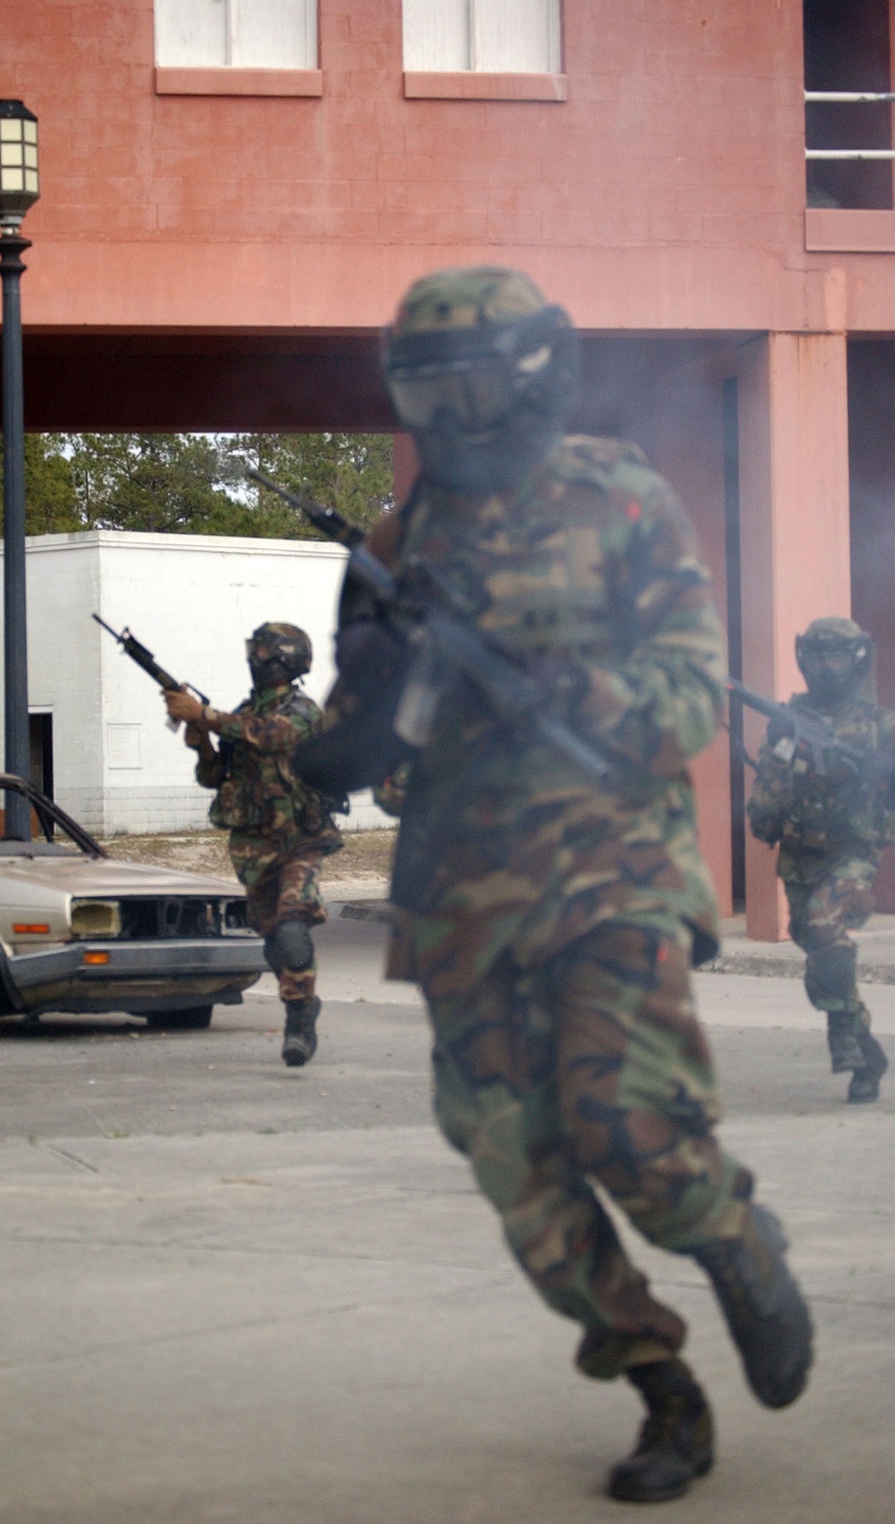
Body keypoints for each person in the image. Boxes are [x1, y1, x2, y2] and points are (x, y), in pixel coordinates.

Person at [297, 267, 813, 1503]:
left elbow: (696, 691)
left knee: (625, 1130)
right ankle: (659, 1385)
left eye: (481, 383)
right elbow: (351, 745)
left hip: (611, 875)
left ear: (535, 376)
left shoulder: (620, 498)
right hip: (460, 894)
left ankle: (728, 1233)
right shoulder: (393, 544)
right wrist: (377, 700)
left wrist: (585, 692)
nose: (461, 414)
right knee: (508, 1155)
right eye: (435, 389)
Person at [165, 622, 343, 1067]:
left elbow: (269, 735)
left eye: (262, 652)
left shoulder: (301, 711)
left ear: (284, 660)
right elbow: (214, 778)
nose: (253, 659)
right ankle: (300, 999)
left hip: (300, 839)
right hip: (255, 847)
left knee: (291, 923)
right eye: (253, 650)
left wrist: (203, 715)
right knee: (272, 941)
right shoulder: (244, 715)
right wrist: (201, 743)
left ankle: (299, 1019)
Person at [746, 616, 893, 1103]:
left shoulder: (879, 726)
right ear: (804, 659)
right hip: (799, 861)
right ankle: (866, 1048)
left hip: (851, 855)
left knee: (828, 934)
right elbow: (762, 812)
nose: (827, 667)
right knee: (824, 962)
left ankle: (843, 1042)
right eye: (818, 656)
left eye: (836, 657)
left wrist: (881, 773)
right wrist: (783, 746)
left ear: (856, 661)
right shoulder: (790, 724)